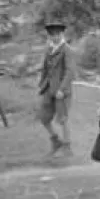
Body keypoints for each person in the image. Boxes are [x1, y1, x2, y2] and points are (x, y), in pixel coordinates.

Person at [37, 21, 76, 157]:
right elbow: (45, 69)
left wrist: (62, 89)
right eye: (52, 35)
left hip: (61, 91)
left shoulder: (67, 50)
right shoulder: (49, 49)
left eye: (57, 34)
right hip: (48, 89)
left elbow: (70, 72)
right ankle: (55, 141)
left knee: (62, 119)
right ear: (49, 36)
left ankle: (67, 146)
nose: (55, 37)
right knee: (43, 117)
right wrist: (41, 84)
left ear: (62, 34)